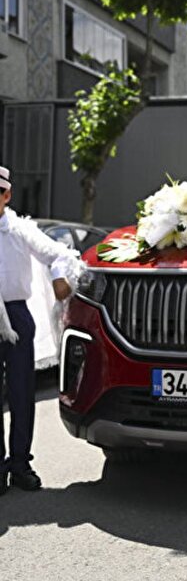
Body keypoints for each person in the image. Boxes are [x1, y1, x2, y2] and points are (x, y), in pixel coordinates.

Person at [0, 165, 83, 494]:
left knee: (21, 393)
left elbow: (59, 253)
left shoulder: (20, 230)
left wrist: (59, 277)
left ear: (6, 195)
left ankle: (20, 462)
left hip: (16, 317)